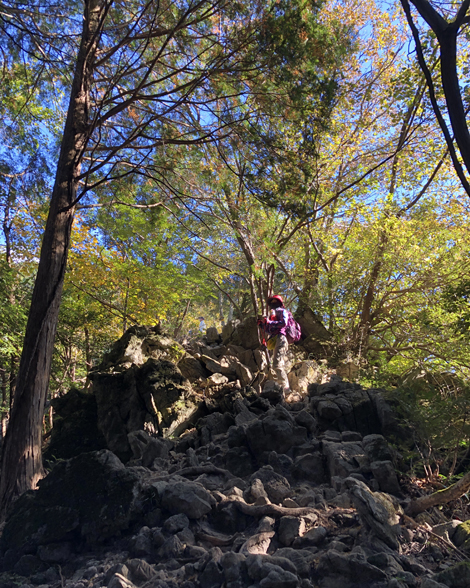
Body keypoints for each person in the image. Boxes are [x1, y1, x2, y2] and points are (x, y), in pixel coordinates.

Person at [258, 295, 291, 394]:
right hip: (275, 339)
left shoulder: (282, 311)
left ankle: (286, 388)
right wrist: (263, 325)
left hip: (281, 338)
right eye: (271, 302)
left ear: (279, 303)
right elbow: (270, 330)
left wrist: (269, 322)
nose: (273, 304)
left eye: (275, 302)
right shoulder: (272, 314)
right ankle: (281, 388)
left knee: (277, 364)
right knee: (276, 364)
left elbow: (284, 323)